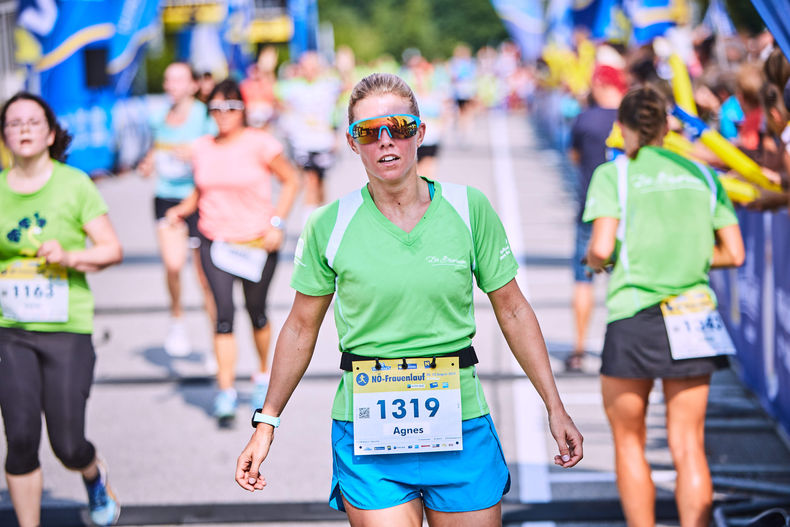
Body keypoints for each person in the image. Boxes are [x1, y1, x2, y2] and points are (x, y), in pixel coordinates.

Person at [235, 73, 583, 526]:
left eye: (398, 127)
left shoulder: (468, 208)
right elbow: (301, 328)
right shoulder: (329, 223)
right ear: (352, 143)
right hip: (368, 433)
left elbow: (513, 309)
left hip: (460, 425)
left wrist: (554, 406)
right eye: (368, 132)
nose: (385, 142)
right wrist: (268, 421)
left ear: (420, 131)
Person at [583, 85, 745, 527]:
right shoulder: (702, 175)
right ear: (667, 127)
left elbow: (600, 246)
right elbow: (734, 252)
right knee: (689, 444)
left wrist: (600, 259)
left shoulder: (614, 174)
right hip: (693, 311)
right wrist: (686, 255)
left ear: (626, 127)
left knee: (629, 441)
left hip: (635, 313)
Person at [0, 93, 124, 526]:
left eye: (33, 121)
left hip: (66, 326)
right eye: (14, 123)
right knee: (19, 439)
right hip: (10, 328)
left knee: (68, 444)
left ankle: (92, 473)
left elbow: (111, 249)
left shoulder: (74, 184)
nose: (24, 129)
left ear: (50, 133)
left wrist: (69, 257)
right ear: (4, 136)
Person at [166, 79, 299, 425]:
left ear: (242, 110)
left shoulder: (261, 144)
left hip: (257, 242)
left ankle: (260, 375)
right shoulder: (203, 147)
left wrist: (276, 224)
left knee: (257, 312)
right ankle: (225, 391)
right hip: (215, 241)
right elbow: (201, 189)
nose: (223, 115)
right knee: (223, 313)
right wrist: (181, 209)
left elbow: (291, 181)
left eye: (230, 107)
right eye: (215, 108)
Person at [139, 61, 216, 357]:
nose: (171, 85)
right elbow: (156, 148)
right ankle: (177, 321)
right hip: (166, 198)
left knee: (205, 278)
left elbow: (216, 149)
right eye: (168, 80)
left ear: (193, 85)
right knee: (172, 265)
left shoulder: (203, 116)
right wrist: (148, 163)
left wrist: (196, 153)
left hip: (198, 200)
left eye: (178, 80)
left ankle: (215, 341)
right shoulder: (158, 117)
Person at [566, 63, 626, 372]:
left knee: (583, 279)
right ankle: (621, 346)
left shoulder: (584, 119)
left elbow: (573, 157)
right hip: (627, 211)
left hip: (591, 207)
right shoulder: (631, 120)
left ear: (601, 84)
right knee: (625, 278)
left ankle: (578, 348)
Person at [277, 51, 342, 226]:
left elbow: (337, 110)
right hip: (303, 143)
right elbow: (279, 102)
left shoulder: (328, 86)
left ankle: (323, 218)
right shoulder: (293, 88)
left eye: (313, 67)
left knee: (320, 182)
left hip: (324, 142)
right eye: (306, 67)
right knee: (310, 180)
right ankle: (309, 226)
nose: (310, 71)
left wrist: (335, 134)